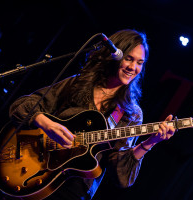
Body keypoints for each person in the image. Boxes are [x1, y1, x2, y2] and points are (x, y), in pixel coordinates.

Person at [9, 29, 176, 200]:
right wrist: (47, 124)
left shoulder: (131, 113)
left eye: (140, 62)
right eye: (129, 58)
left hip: (72, 190)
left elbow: (120, 174)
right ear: (115, 55)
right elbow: (22, 105)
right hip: (33, 168)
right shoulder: (79, 83)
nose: (133, 68)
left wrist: (151, 142)